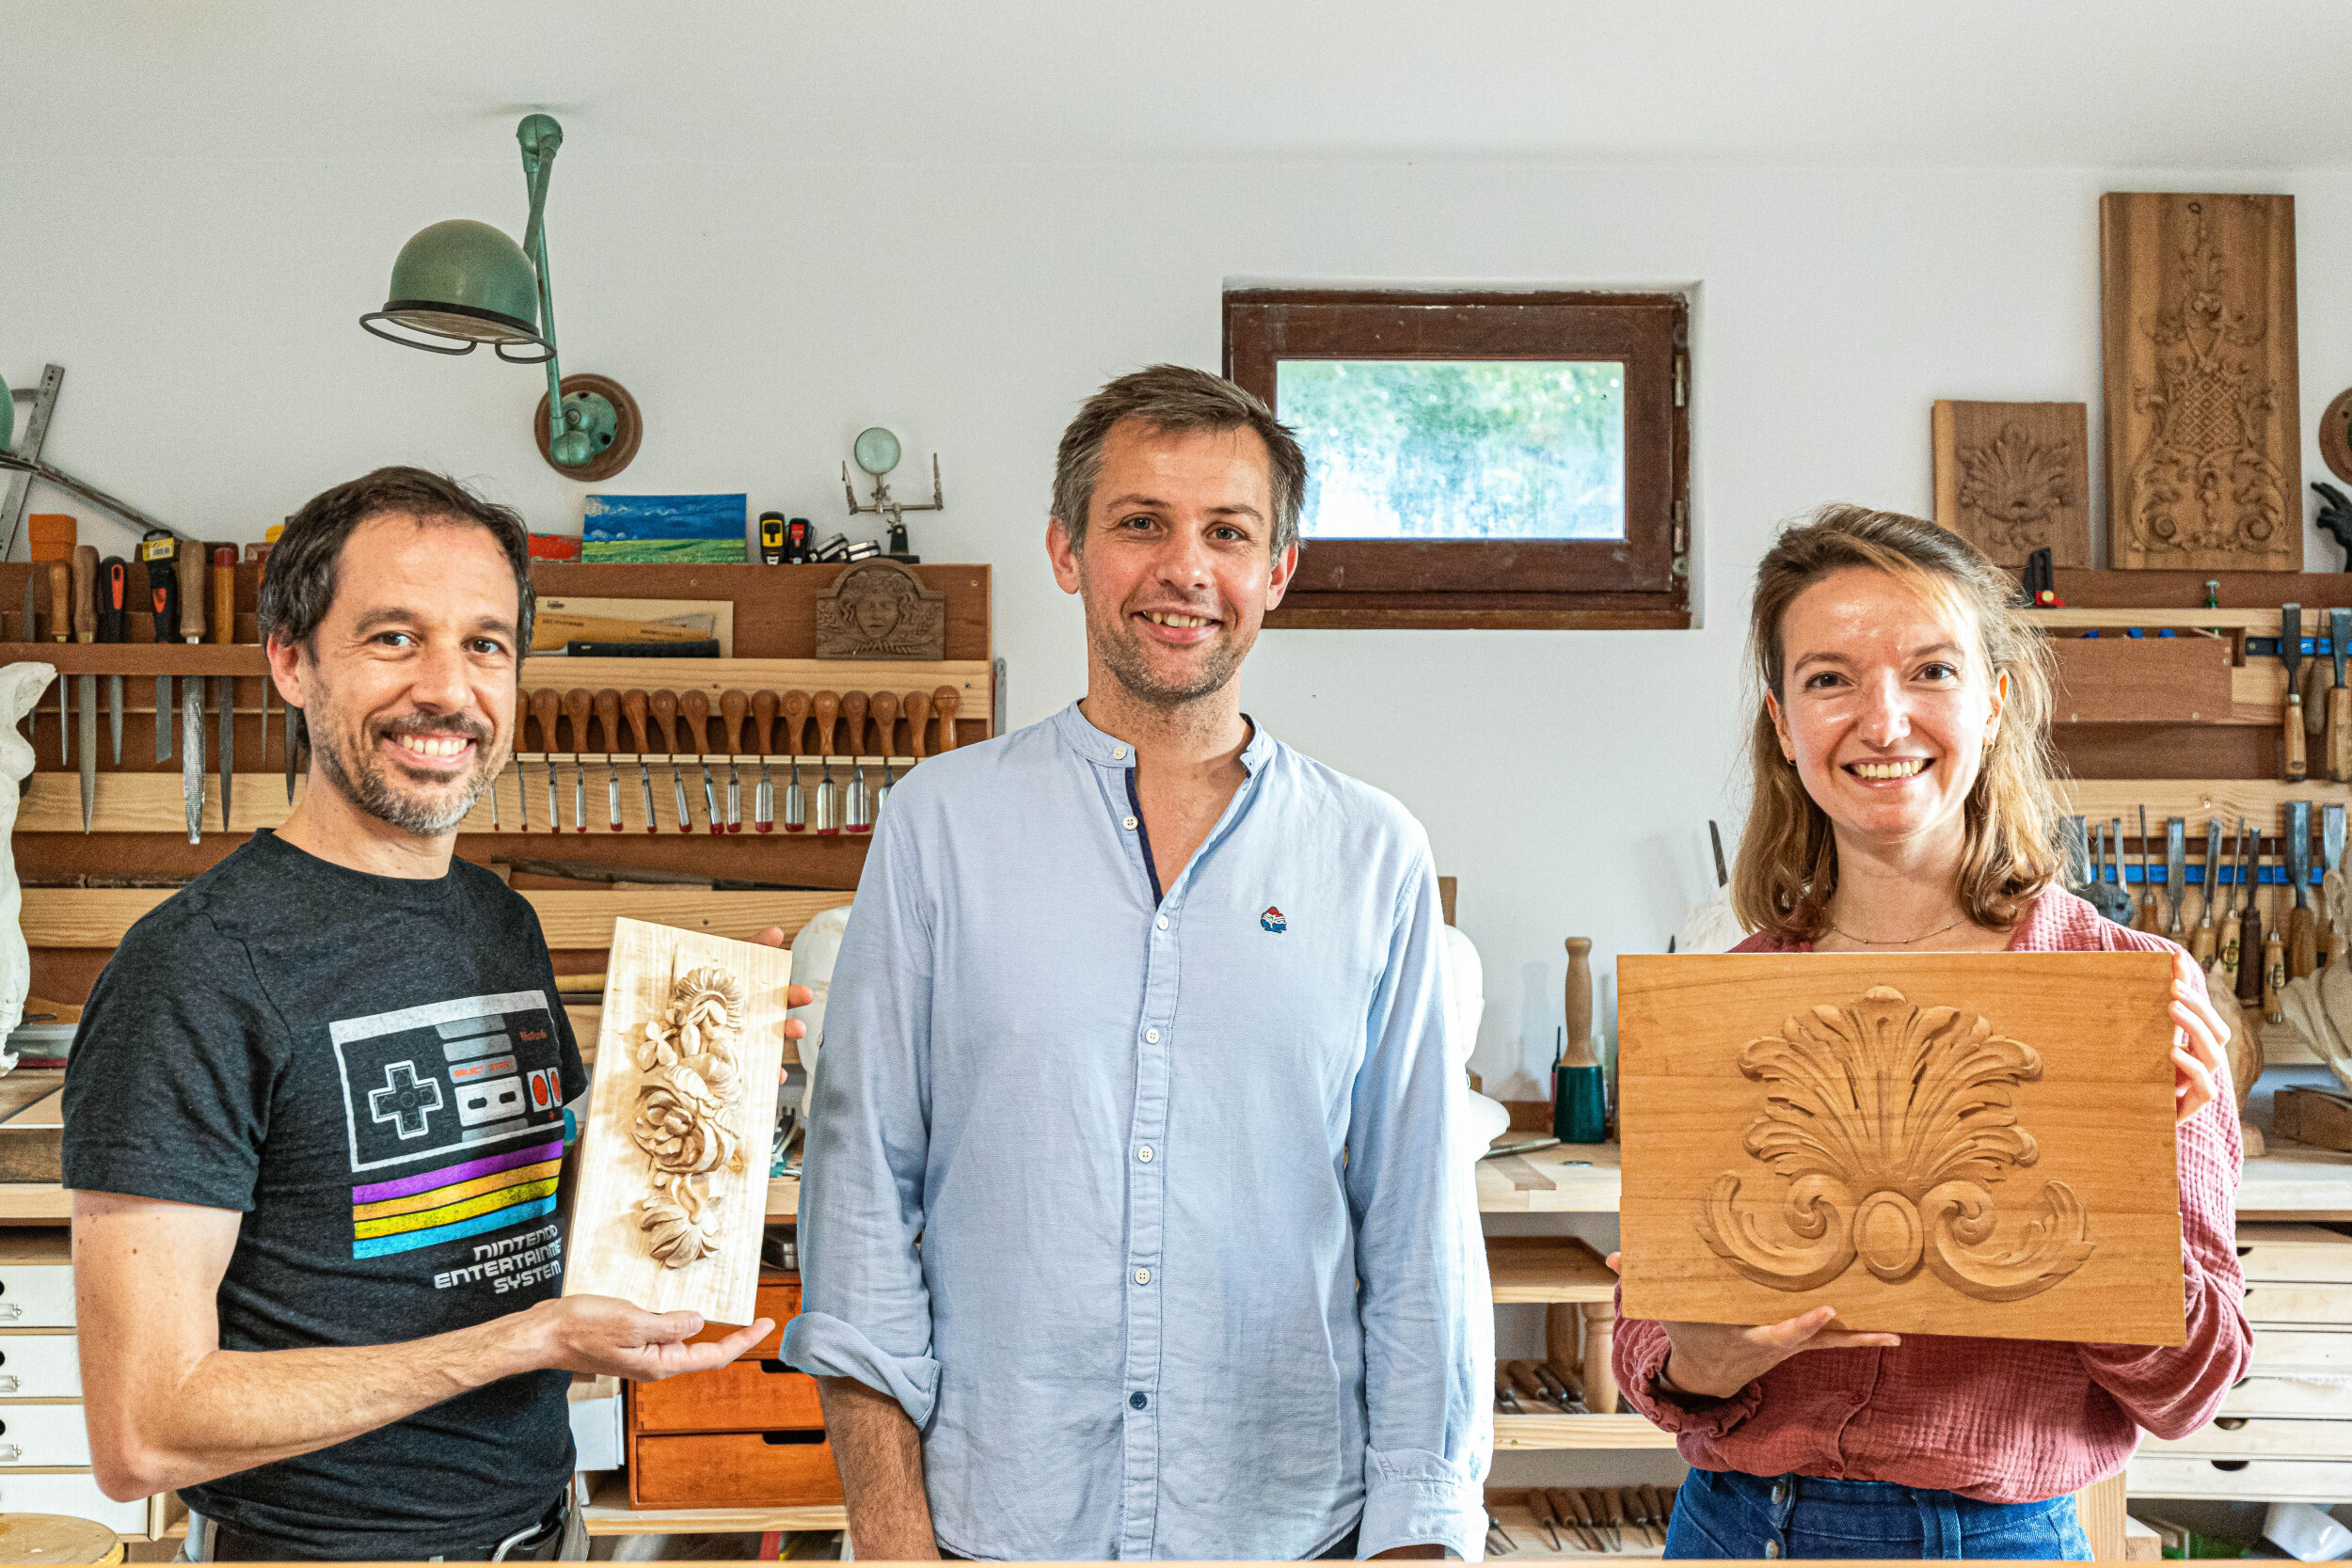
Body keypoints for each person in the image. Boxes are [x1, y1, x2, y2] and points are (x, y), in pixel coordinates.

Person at [781, 365, 1488, 1560]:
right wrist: (890, 1535)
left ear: (1277, 570)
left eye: (1228, 531)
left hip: (1288, 1528)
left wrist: (1420, 1535)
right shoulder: (937, 825)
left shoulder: (1372, 852)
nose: (1185, 569)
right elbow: (858, 1202)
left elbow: (1417, 1231)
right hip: (997, 1528)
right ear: (1066, 550)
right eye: (1140, 523)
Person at [65, 468, 792, 1562]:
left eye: (486, 643)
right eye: (395, 637)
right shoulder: (194, 971)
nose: (448, 689)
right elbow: (146, 1427)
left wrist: (699, 1085)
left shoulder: (497, 920)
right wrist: (524, 1339)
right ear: (292, 661)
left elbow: (530, 1214)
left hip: (545, 1532)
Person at [1613, 505, 2248, 1560]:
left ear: (1995, 701)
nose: (1883, 719)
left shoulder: (2125, 991)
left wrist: (2101, 1212)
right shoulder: (1724, 1002)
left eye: (1931, 670)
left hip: (1984, 1539)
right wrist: (1697, 1360)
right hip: (1726, 1529)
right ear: (1782, 720)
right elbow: (1653, 1351)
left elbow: (2194, 1388)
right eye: (1828, 678)